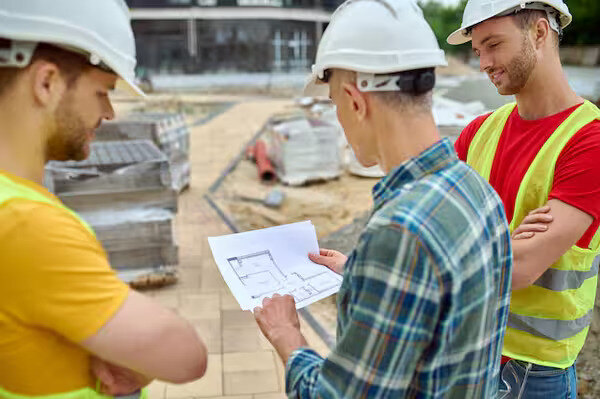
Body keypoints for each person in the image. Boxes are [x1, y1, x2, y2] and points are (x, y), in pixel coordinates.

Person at [253, 0, 513, 397]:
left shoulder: (401, 232)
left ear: (356, 102)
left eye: (337, 106)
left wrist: (288, 337)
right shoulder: (476, 190)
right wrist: (360, 274)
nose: (340, 121)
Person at [0, 1, 207, 397]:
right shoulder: (24, 223)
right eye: (103, 92)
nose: (110, 112)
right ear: (47, 83)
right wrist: (137, 359)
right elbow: (184, 355)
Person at [447, 0, 600, 397]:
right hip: (465, 350)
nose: (483, 62)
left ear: (539, 33)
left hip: (532, 374)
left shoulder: (589, 142)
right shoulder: (478, 132)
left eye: (493, 44)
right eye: (477, 50)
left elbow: (519, 269)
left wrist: (498, 250)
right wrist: (508, 245)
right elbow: (437, 231)